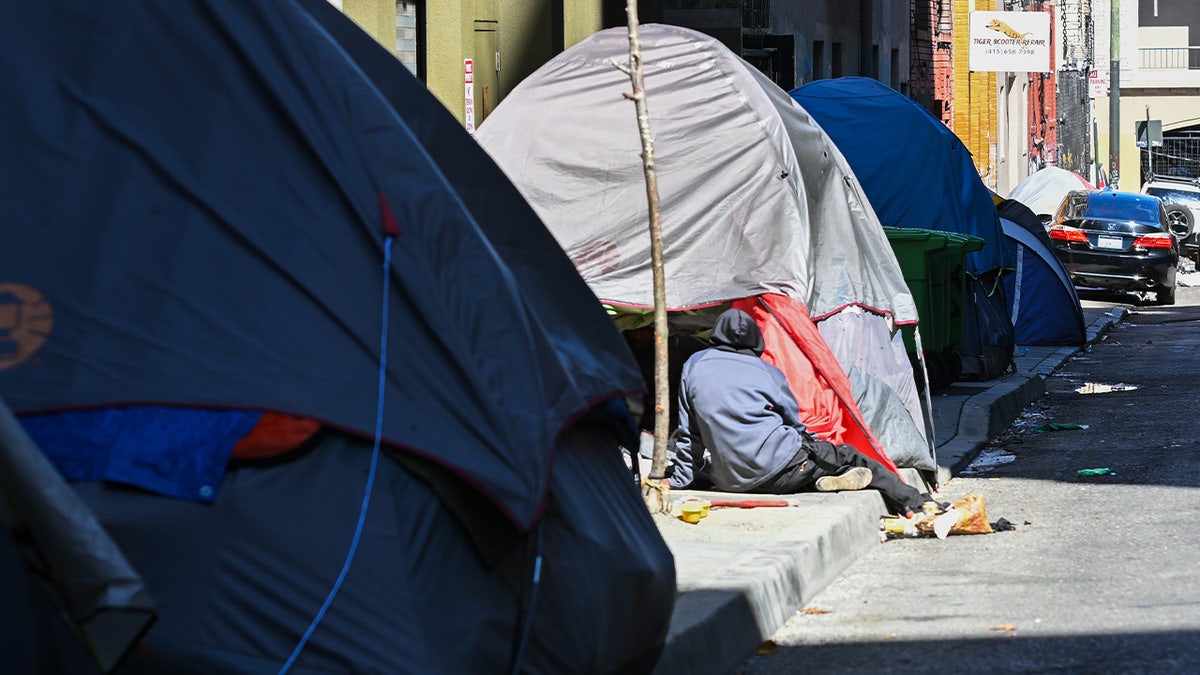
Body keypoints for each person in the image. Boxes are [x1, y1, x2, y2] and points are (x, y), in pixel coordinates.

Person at [667, 308, 929, 516]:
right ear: (756, 340)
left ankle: (824, 477)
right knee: (848, 455)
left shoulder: (693, 365)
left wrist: (679, 481)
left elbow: (690, 434)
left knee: (717, 468)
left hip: (731, 480)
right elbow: (795, 425)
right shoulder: (768, 371)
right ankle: (916, 504)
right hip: (784, 472)